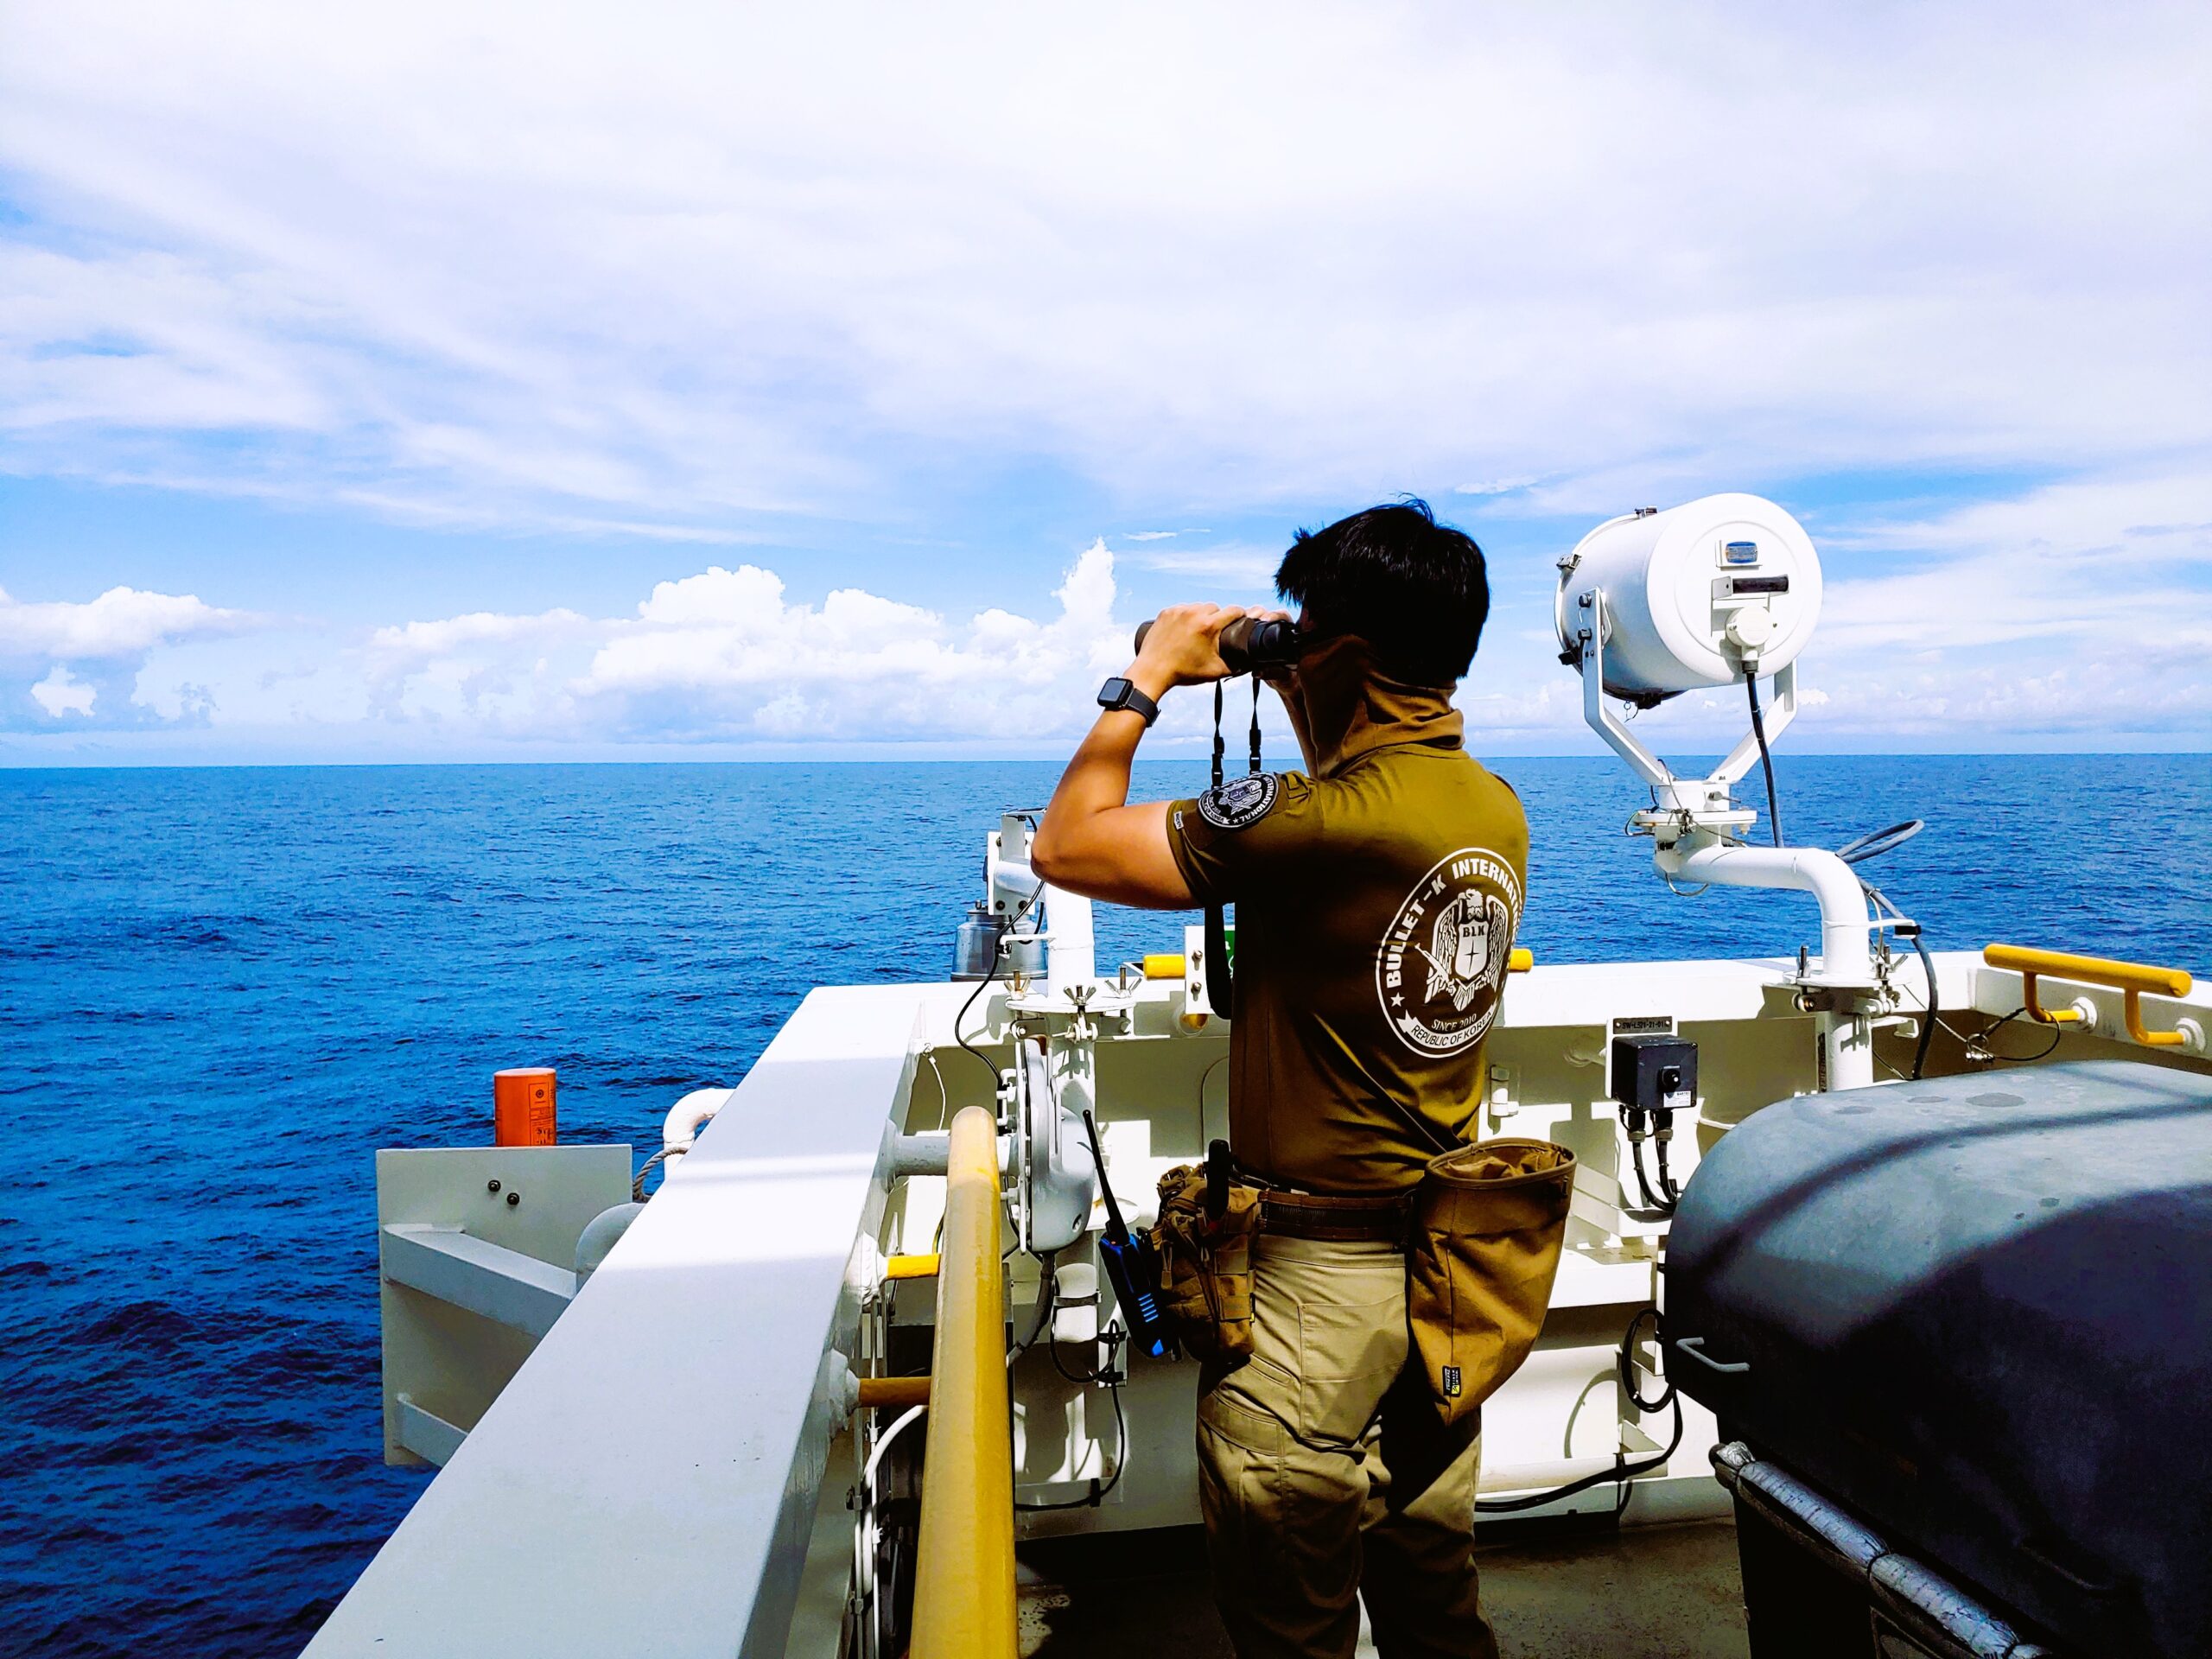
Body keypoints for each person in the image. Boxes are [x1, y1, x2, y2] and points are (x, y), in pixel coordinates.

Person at [1031, 499, 1527, 1659]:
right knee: (1433, 1600)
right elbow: (1356, 778)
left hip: (1313, 1302)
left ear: (1341, 655)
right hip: (1443, 1276)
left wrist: (1146, 678)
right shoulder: (1485, 804)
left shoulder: (1321, 825)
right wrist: (1300, 664)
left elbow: (1066, 843)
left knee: (1289, 1626)